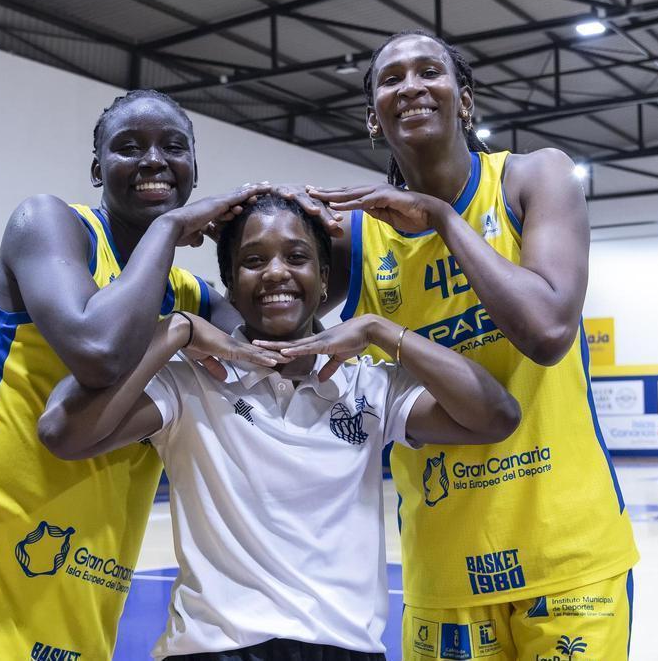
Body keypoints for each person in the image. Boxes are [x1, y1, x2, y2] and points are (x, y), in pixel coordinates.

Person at [0, 90, 269, 660]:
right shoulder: (49, 224)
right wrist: (170, 229)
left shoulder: (190, 296)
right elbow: (97, 349)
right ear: (98, 169)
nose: (153, 159)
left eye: (173, 147)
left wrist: (293, 234)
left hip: (82, 583)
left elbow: (281, 344)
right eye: (129, 147)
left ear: (194, 170)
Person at [38, 194, 521, 661]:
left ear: (323, 276)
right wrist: (176, 330)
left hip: (346, 647)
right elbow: (65, 434)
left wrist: (380, 331)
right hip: (214, 650)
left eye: (296, 257)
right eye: (252, 260)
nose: (275, 273)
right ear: (229, 280)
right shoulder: (191, 384)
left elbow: (497, 416)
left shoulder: (368, 385)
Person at [304, 31, 639, 661]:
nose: (410, 86)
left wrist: (442, 218)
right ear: (372, 117)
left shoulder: (533, 176)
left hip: (568, 555)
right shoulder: (353, 238)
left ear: (465, 100)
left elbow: (546, 333)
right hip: (443, 569)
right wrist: (256, 228)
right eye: (390, 79)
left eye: (428, 71)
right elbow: (263, 316)